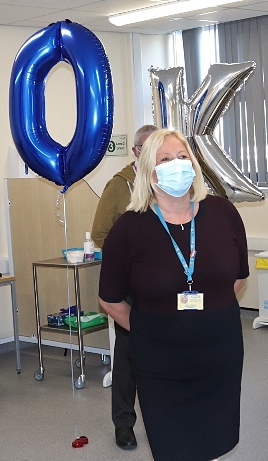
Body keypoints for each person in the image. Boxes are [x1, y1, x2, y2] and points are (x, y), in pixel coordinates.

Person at [98, 129, 249, 461]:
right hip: (159, 362)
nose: (176, 165)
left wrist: (209, 311)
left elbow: (236, 279)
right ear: (149, 171)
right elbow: (109, 299)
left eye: (182, 157)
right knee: (173, 447)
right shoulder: (129, 228)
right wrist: (149, 328)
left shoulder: (224, 214)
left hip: (219, 355)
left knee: (215, 441)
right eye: (165, 159)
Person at [91, 123, 157, 450]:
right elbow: (100, 234)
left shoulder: (169, 183)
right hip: (130, 285)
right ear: (135, 152)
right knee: (129, 355)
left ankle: (162, 418)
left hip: (163, 285)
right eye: (147, 149)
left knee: (164, 355)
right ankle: (124, 424)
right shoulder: (119, 186)